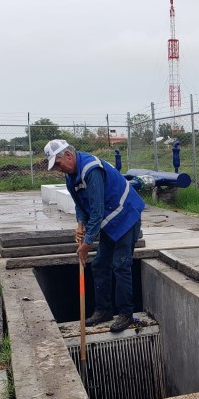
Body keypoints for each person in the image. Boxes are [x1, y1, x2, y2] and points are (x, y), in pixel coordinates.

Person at [44, 139, 145, 333]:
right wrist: (80, 224)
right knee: (99, 264)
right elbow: (80, 205)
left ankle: (126, 313)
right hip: (110, 219)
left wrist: (87, 243)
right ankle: (103, 310)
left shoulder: (91, 169)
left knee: (121, 264)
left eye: (58, 163)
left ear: (68, 155)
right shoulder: (70, 176)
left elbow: (97, 210)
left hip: (126, 215)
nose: (58, 168)